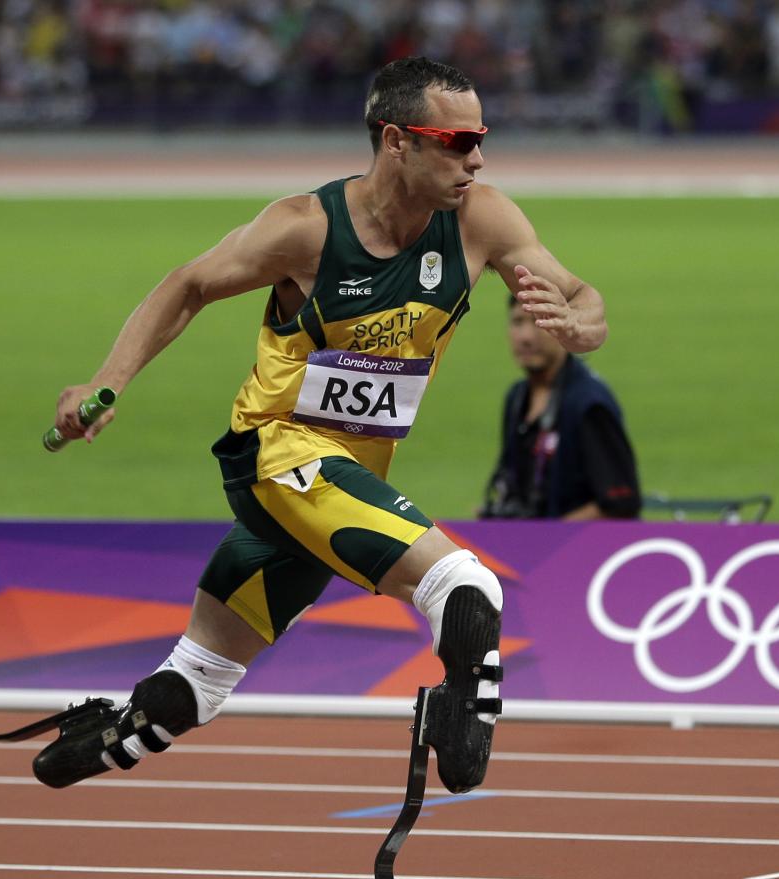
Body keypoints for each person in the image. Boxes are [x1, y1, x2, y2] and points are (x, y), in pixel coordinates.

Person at [38, 57, 606, 797]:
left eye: (480, 138)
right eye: (456, 140)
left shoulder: (482, 219)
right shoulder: (305, 228)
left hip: (343, 485)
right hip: (276, 456)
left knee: (200, 681)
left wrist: (581, 325)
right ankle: (459, 734)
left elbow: (579, 292)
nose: (477, 156)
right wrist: (107, 382)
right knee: (465, 588)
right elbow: (189, 285)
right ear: (397, 140)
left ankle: (96, 740)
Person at [482, 292, 641, 520]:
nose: (526, 336)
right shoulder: (516, 397)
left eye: (539, 322)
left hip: (580, 550)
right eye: (517, 322)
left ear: (564, 328)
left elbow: (621, 503)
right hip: (523, 546)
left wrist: (548, 539)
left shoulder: (589, 403)